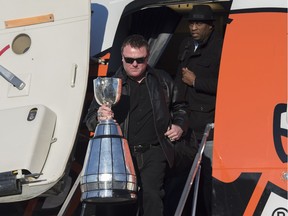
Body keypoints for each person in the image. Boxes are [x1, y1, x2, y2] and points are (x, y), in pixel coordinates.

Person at [84, 34, 190, 216]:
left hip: (154, 150)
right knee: (118, 202)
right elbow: (89, 119)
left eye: (139, 60)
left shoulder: (162, 80)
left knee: (152, 197)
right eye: (129, 59)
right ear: (122, 58)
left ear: (147, 58)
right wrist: (100, 117)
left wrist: (179, 125)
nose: (134, 64)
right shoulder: (109, 84)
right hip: (120, 154)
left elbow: (180, 107)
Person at [174, 5, 224, 216]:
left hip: (208, 125)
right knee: (183, 176)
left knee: (208, 179)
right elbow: (178, 79)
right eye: (191, 23)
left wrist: (197, 82)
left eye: (198, 23)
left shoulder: (222, 48)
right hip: (184, 122)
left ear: (210, 26)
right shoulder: (186, 45)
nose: (193, 27)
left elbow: (228, 84)